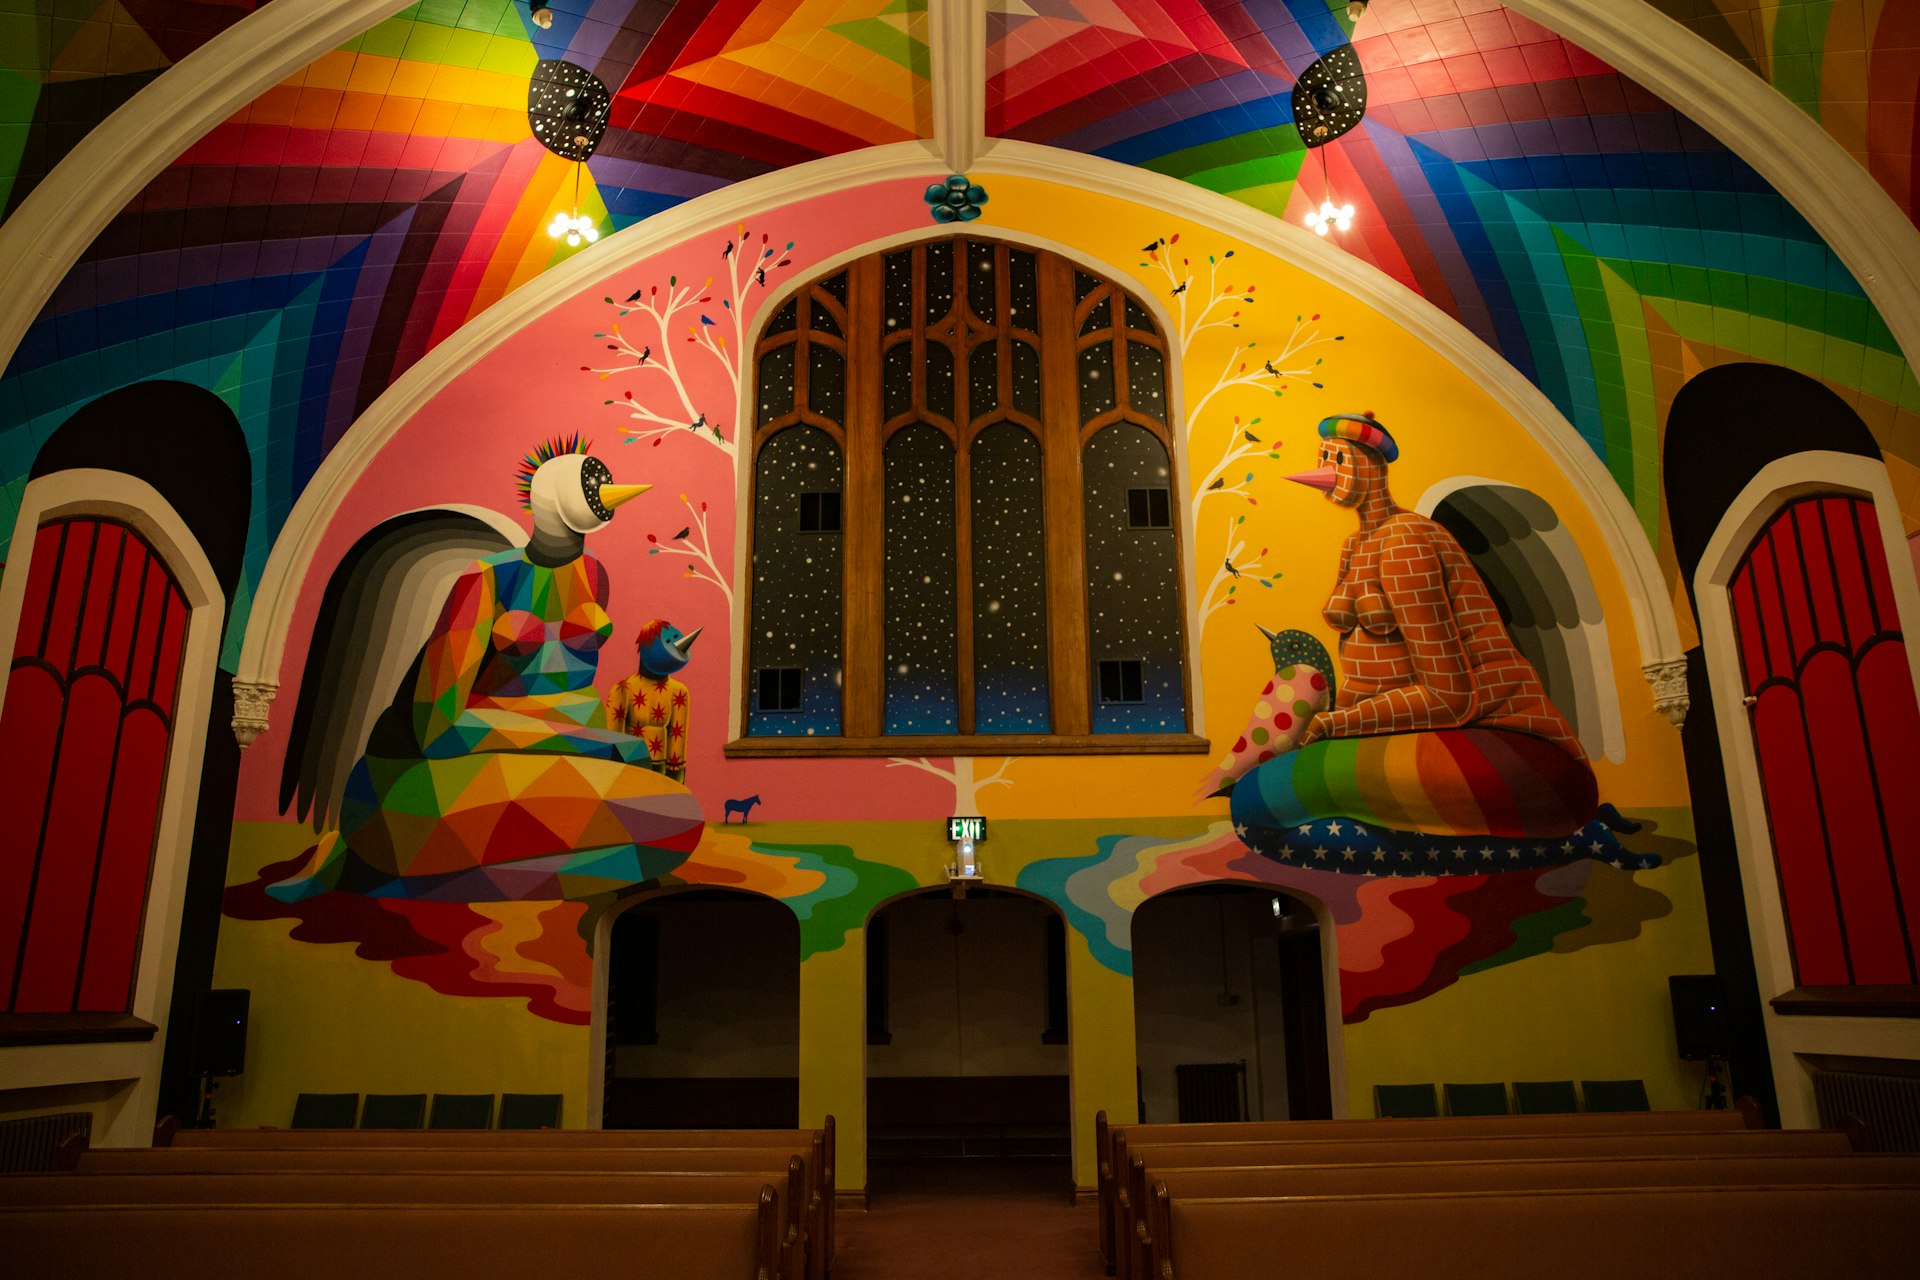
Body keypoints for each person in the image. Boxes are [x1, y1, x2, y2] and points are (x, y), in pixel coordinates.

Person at [270, 440, 702, 902]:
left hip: (563, 763)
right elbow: (437, 727)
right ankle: (373, 860)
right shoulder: (487, 577)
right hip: (459, 761)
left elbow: (572, 689)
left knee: (674, 815)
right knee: (651, 816)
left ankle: (454, 870)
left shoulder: (595, 575)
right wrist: (584, 742)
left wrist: (595, 745)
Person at [1230, 412, 1598, 842]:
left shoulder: (1406, 539)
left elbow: (1451, 698)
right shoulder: (1357, 544)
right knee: (1262, 790)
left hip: (1517, 754)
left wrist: (1335, 725)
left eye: (1338, 460)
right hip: (1423, 732)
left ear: (1371, 466)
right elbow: (1373, 676)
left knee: (1261, 799)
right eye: (1322, 459)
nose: (1325, 473)